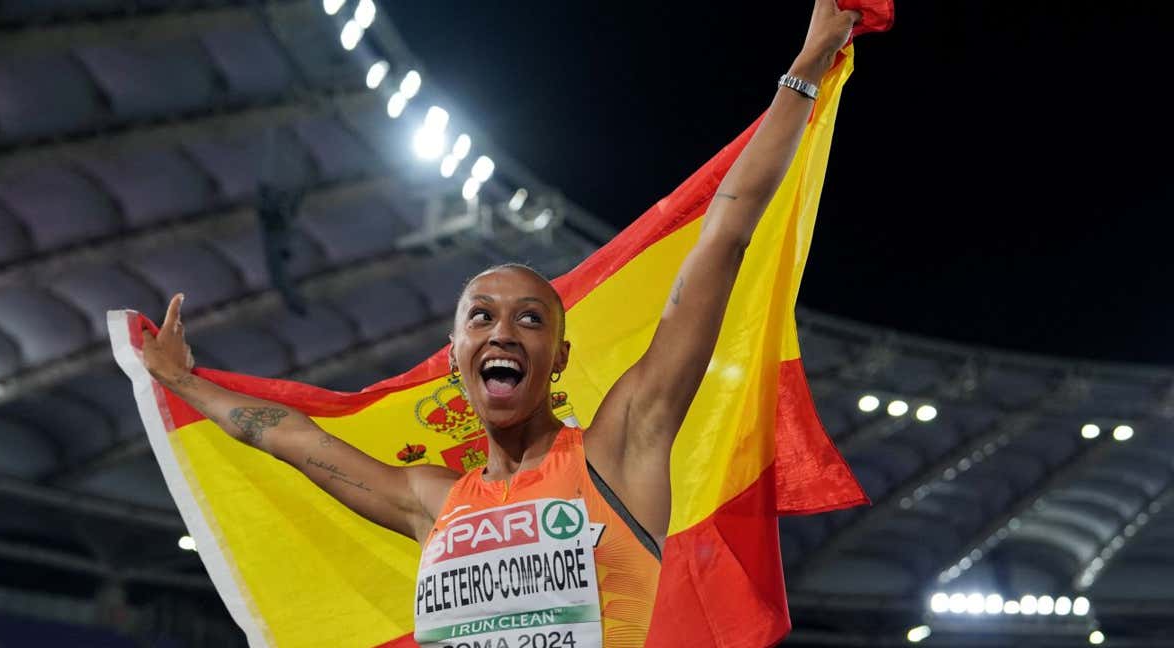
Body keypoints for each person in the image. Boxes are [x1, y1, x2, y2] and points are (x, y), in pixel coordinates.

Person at [140, 3, 861, 645]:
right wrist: (181, 383)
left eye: (529, 318)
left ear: (559, 356)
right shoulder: (432, 503)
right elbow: (291, 438)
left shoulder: (618, 451)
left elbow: (724, 236)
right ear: (457, 359)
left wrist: (804, 65)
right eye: (480, 317)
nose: (502, 331)